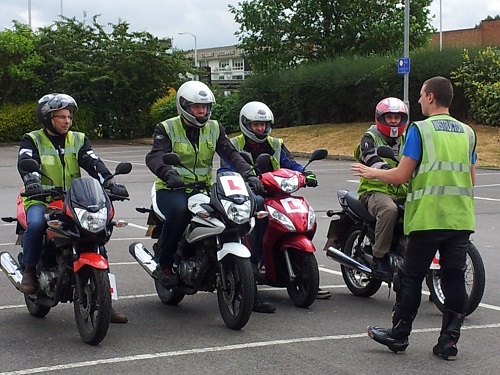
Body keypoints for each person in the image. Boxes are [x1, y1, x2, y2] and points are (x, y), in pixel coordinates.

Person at [351, 76, 476, 360]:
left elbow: (401, 175)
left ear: (431, 97)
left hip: (428, 216)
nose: (418, 101)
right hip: (460, 218)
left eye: (420, 95)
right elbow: (470, 179)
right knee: (454, 277)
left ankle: (399, 335)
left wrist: (371, 173)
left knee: (411, 277)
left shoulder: (420, 130)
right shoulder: (468, 133)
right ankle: (449, 342)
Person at [145, 81, 265, 302]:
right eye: (196, 107)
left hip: (204, 188)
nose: (202, 111)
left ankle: (246, 272)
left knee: (244, 207)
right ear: (183, 106)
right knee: (180, 211)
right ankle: (164, 265)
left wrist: (249, 174)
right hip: (171, 189)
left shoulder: (215, 127)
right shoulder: (167, 127)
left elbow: (231, 153)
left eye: (205, 107)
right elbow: (154, 156)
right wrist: (169, 174)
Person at [18, 93, 130, 324]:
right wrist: (32, 182)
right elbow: (26, 162)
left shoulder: (78, 139)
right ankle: (29, 270)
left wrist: (109, 181)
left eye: (68, 116)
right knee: (37, 224)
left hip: (73, 199)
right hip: (41, 198)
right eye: (60, 117)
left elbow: (92, 161)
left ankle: (106, 302)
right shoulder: (32, 139)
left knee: (96, 237)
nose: (66, 121)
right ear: (48, 118)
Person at [220, 101, 331, 306]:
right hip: (245, 194)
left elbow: (291, 163)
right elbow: (227, 169)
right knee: (261, 208)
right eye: (256, 125)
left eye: (264, 124)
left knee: (297, 210)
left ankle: (301, 268)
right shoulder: (234, 145)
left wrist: (305, 174)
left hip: (275, 190)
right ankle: (257, 261)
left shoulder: (275, 143)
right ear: (246, 124)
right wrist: (245, 182)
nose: (260, 128)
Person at [354, 97, 409, 279]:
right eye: (389, 117)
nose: (394, 121)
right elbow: (369, 157)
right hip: (374, 190)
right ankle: (379, 256)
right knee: (389, 210)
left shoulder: (407, 138)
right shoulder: (370, 137)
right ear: (380, 118)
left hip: (403, 190)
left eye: (397, 117)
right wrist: (389, 171)